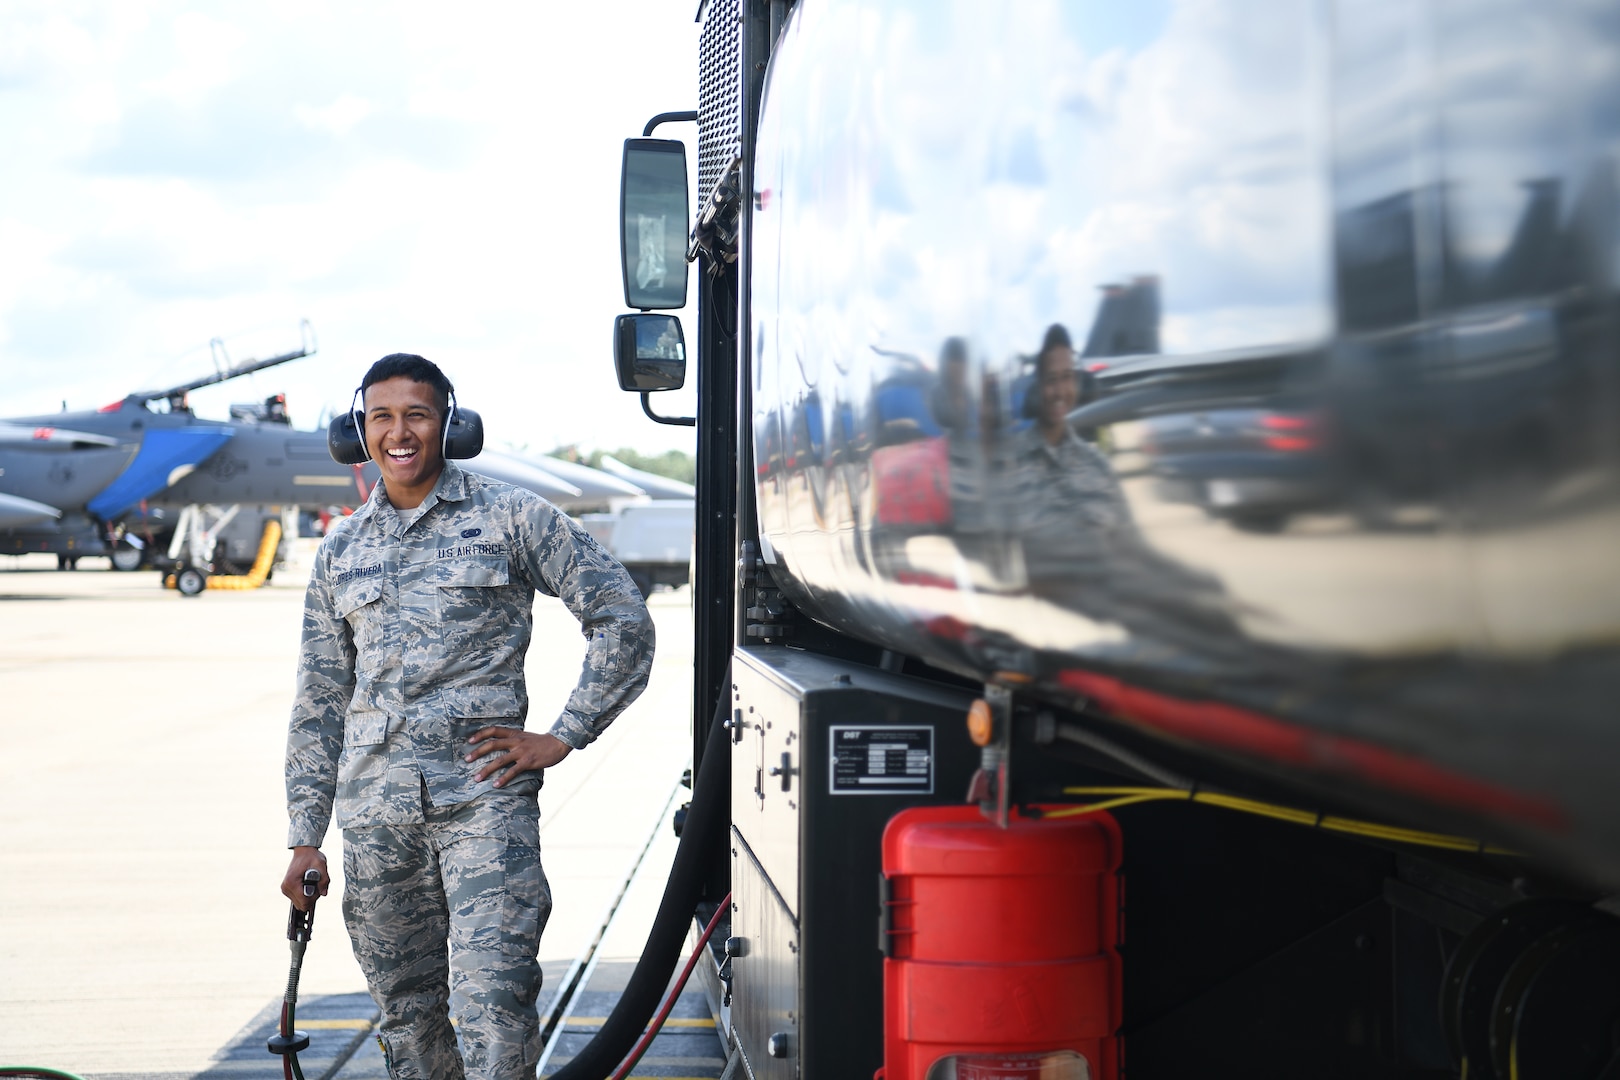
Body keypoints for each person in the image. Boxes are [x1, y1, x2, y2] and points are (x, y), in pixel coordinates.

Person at [280, 354, 654, 1080]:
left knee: (494, 1003)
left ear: (449, 425)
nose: (399, 432)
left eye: (417, 414)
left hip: (484, 805)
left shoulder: (510, 517)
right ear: (359, 431)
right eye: (381, 417)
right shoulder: (342, 551)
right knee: (408, 1013)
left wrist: (564, 734)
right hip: (377, 821)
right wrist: (304, 837)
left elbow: (622, 618)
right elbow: (319, 703)